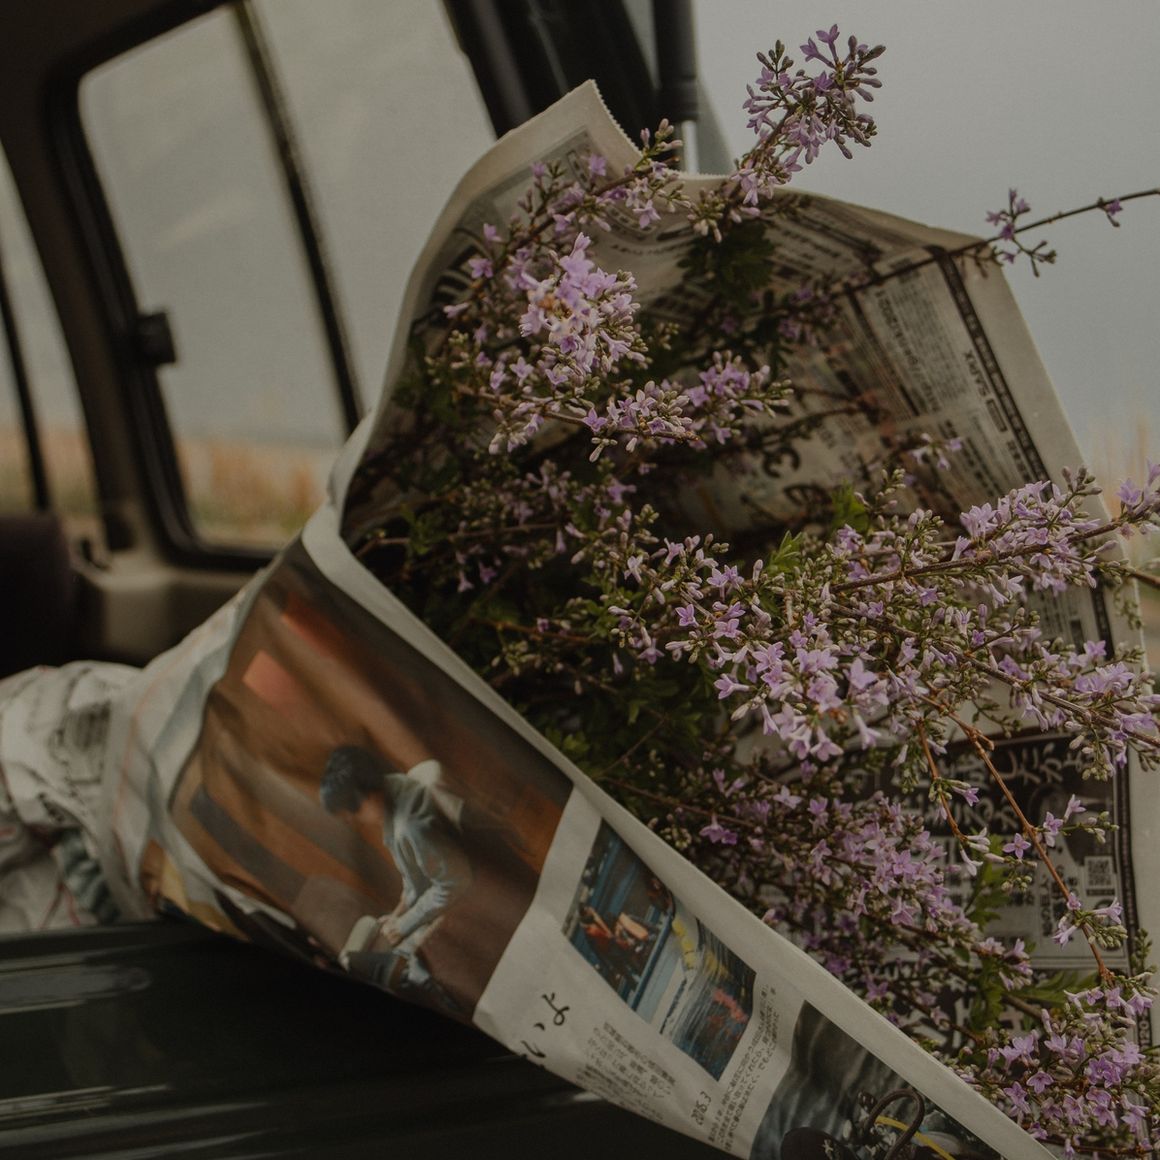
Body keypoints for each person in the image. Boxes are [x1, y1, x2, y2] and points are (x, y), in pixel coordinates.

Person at [320, 745, 472, 1012]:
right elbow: (416, 878)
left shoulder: (408, 828)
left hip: (466, 895)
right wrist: (398, 913)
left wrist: (404, 926)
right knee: (379, 947)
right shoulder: (396, 787)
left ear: (367, 797)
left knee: (399, 968)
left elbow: (455, 883)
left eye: (353, 812)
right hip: (445, 882)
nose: (355, 821)